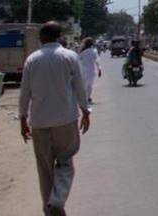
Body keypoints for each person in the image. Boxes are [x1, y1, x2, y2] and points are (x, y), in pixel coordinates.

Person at [19, 21, 91, 216]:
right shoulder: (70, 57)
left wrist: (22, 119)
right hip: (66, 120)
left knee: (44, 170)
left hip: (39, 122)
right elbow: (79, 87)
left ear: (41, 37)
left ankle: (49, 209)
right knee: (66, 162)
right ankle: (57, 201)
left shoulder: (32, 60)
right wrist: (85, 111)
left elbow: (24, 92)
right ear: (59, 37)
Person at [78, 37, 101, 104]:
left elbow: (78, 60)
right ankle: (87, 98)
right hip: (92, 70)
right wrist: (99, 69)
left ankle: (84, 98)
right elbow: (97, 61)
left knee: (84, 85)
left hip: (83, 70)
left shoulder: (82, 52)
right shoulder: (94, 51)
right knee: (90, 85)